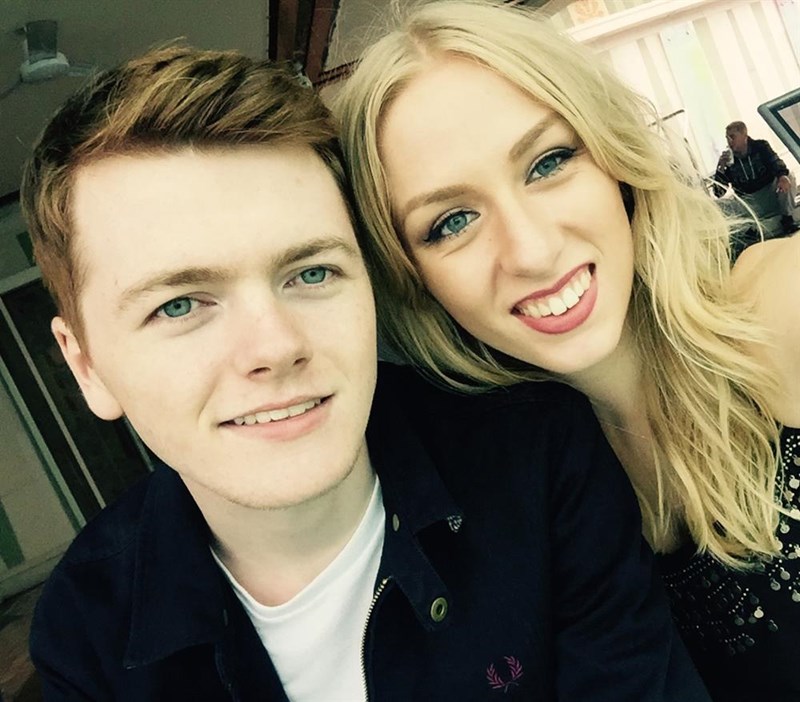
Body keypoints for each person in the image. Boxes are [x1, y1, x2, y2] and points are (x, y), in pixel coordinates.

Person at [20, 46, 709, 701]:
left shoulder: (536, 457)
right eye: (178, 305)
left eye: (311, 273)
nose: (276, 347)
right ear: (87, 366)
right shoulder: (86, 622)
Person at [334, 2, 800, 700]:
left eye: (548, 163)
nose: (531, 249)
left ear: (615, 157)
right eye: (452, 221)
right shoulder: (503, 489)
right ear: (410, 277)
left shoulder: (782, 306)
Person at [714, 120, 798, 237]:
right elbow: (718, 193)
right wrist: (720, 169)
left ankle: (786, 218)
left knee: (788, 177)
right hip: (749, 202)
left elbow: (775, 163)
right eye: (727, 138)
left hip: (770, 192)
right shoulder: (729, 159)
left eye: (732, 137)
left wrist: (782, 176)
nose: (729, 141)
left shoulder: (760, 147)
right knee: (718, 206)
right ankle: (754, 229)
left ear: (744, 136)